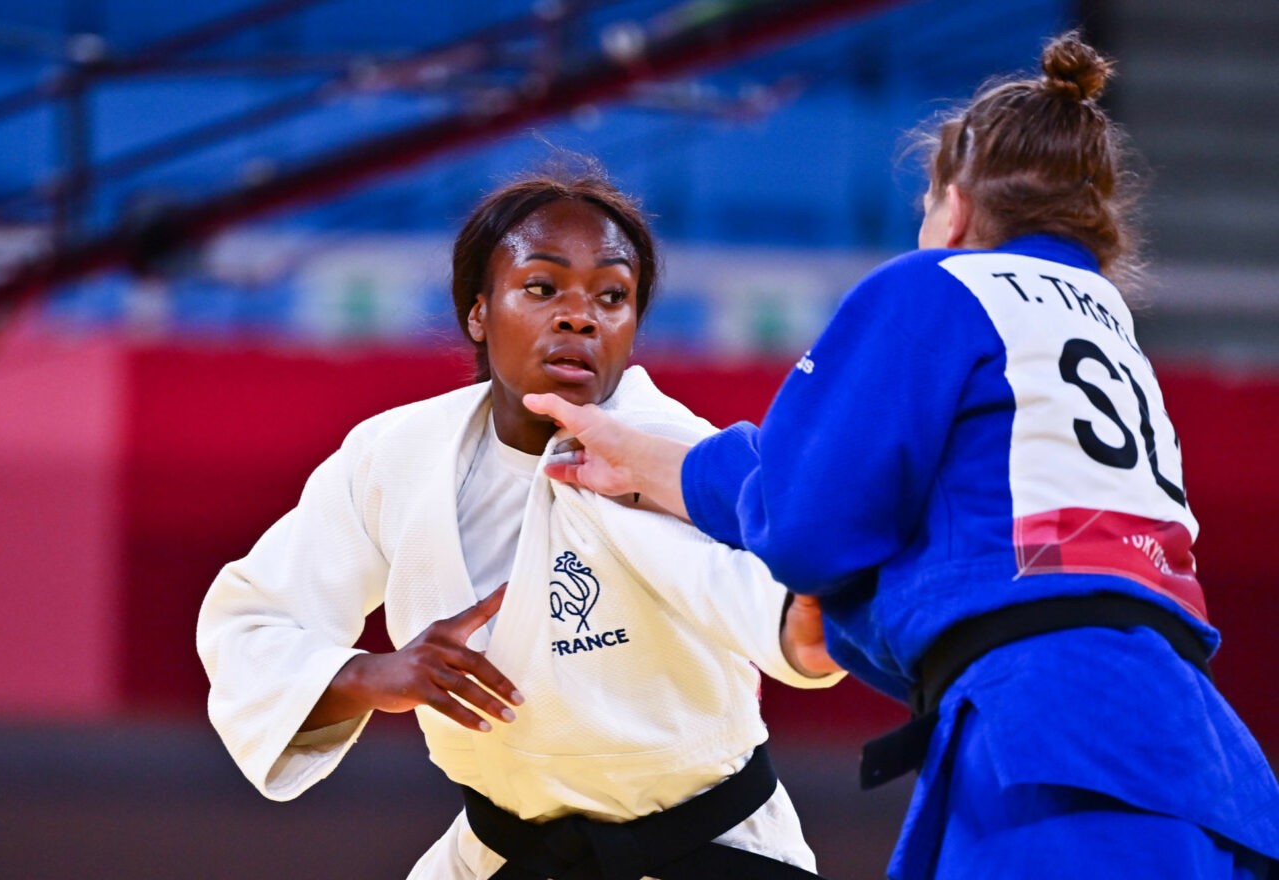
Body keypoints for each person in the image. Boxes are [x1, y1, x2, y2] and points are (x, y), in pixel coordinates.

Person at [523, 33, 1279, 880]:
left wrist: (693, 482)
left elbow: (808, 525)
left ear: (952, 206)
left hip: (1055, 749)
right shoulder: (1111, 333)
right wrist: (649, 462)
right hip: (1207, 771)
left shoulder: (937, 283)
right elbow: (987, 560)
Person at [196, 160, 845, 880]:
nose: (580, 315)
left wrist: (806, 625)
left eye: (612, 296)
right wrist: (375, 675)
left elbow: (751, 592)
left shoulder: (664, 451)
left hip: (712, 852)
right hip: (504, 855)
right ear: (479, 310)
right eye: (541, 287)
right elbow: (252, 622)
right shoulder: (397, 454)